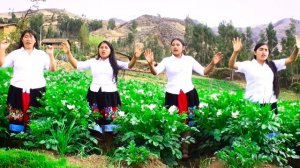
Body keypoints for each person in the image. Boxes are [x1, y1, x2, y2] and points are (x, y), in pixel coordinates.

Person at [144, 37, 223, 159]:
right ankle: (173, 149)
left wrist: (212, 63)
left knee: (188, 123)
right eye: (173, 45)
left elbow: (204, 71)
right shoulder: (166, 60)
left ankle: (185, 150)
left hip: (189, 94)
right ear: (170, 48)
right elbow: (155, 72)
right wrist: (150, 64)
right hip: (172, 95)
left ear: (183, 47)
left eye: (178, 44)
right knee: (173, 122)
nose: (175, 46)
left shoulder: (189, 60)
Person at [61, 40, 143, 149]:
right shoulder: (93, 62)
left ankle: (108, 145)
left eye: (106, 47)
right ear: (98, 50)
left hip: (110, 95)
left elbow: (129, 65)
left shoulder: (115, 62)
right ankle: (95, 145)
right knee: (94, 119)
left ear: (110, 50)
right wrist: (68, 53)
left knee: (109, 119)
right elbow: (77, 65)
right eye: (101, 47)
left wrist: (135, 57)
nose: (103, 49)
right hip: (94, 94)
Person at [0, 29, 56, 133]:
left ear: (35, 40)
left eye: (31, 36)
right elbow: (2, 65)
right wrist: (2, 49)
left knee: (35, 115)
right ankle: (16, 138)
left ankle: (33, 139)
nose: (28, 39)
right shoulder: (15, 54)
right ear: (22, 39)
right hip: (17, 90)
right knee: (16, 117)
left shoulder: (41, 54)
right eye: (26, 36)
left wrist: (51, 55)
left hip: (37, 90)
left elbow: (52, 69)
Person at [228, 36, 300, 114]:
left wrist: (297, 48)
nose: (264, 52)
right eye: (261, 49)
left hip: (271, 103)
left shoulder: (273, 64)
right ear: (255, 52)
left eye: (266, 50)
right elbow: (231, 65)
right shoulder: (248, 65)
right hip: (252, 103)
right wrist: (235, 52)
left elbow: (291, 59)